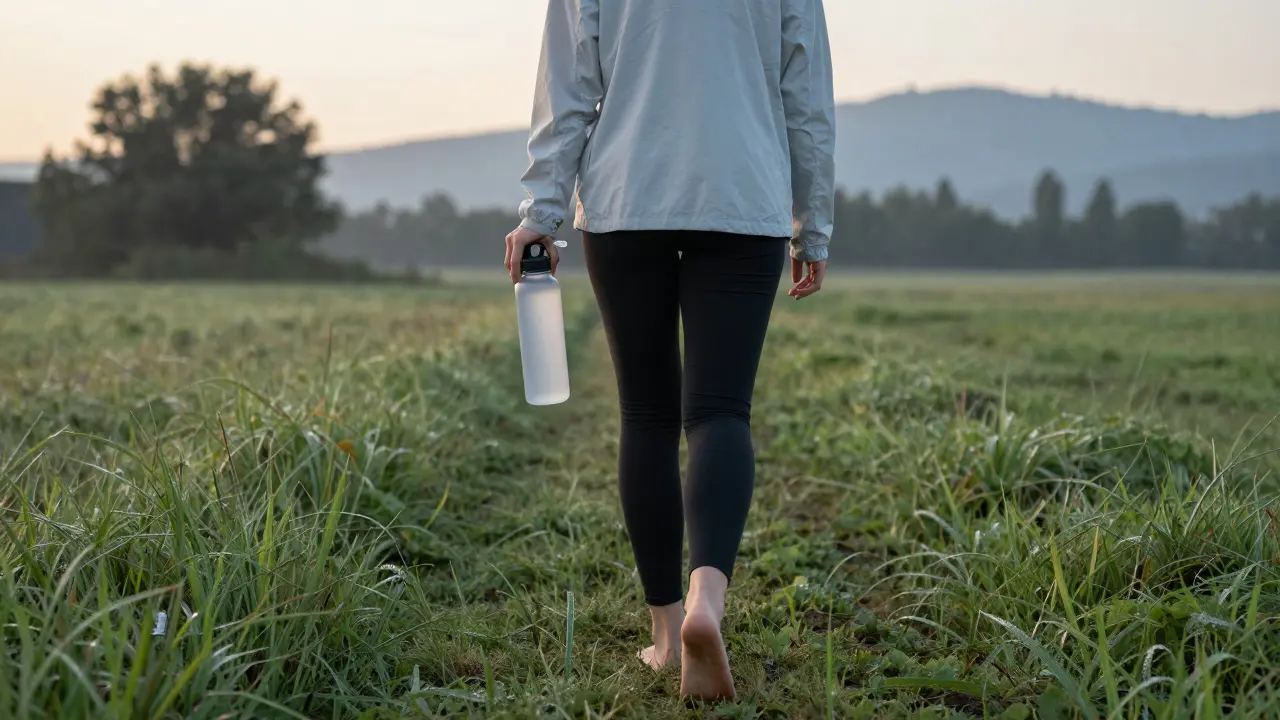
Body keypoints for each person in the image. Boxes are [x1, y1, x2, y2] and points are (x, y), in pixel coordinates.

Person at [505, 0, 835, 701]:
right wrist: (814, 225)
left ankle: (663, 633)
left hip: (628, 196)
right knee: (720, 413)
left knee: (648, 416)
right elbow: (804, 93)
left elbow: (569, 84)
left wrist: (542, 211)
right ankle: (706, 603)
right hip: (743, 197)